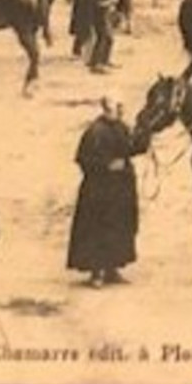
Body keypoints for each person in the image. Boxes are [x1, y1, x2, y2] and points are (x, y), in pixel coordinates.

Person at [67, 94, 139, 288]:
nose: (122, 112)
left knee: (119, 227)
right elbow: (83, 159)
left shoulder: (121, 128)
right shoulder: (95, 132)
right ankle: (96, 272)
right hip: (99, 191)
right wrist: (106, 166)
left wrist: (146, 132)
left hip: (121, 189)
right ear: (107, 109)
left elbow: (133, 147)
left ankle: (112, 268)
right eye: (118, 108)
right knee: (97, 230)